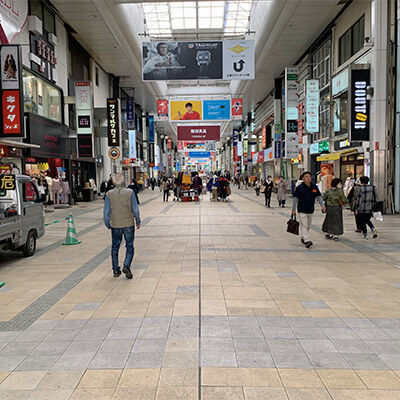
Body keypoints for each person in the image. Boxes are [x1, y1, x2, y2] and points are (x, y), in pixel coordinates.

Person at [103, 174, 141, 279]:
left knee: (115, 246)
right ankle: (127, 265)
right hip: (128, 223)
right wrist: (137, 220)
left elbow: (106, 211)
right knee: (129, 246)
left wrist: (107, 222)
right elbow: (135, 209)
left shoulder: (109, 194)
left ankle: (116, 269)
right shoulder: (130, 193)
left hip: (115, 224)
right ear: (124, 182)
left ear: (114, 182)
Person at [292, 171, 326, 248]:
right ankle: (307, 240)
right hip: (301, 209)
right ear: (303, 178)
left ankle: (303, 237)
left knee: (308, 226)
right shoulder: (299, 188)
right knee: (304, 225)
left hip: (310, 209)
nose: (308, 178)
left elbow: (319, 196)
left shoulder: (314, 187)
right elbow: (295, 199)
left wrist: (322, 205)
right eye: (306, 177)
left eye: (309, 176)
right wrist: (293, 209)